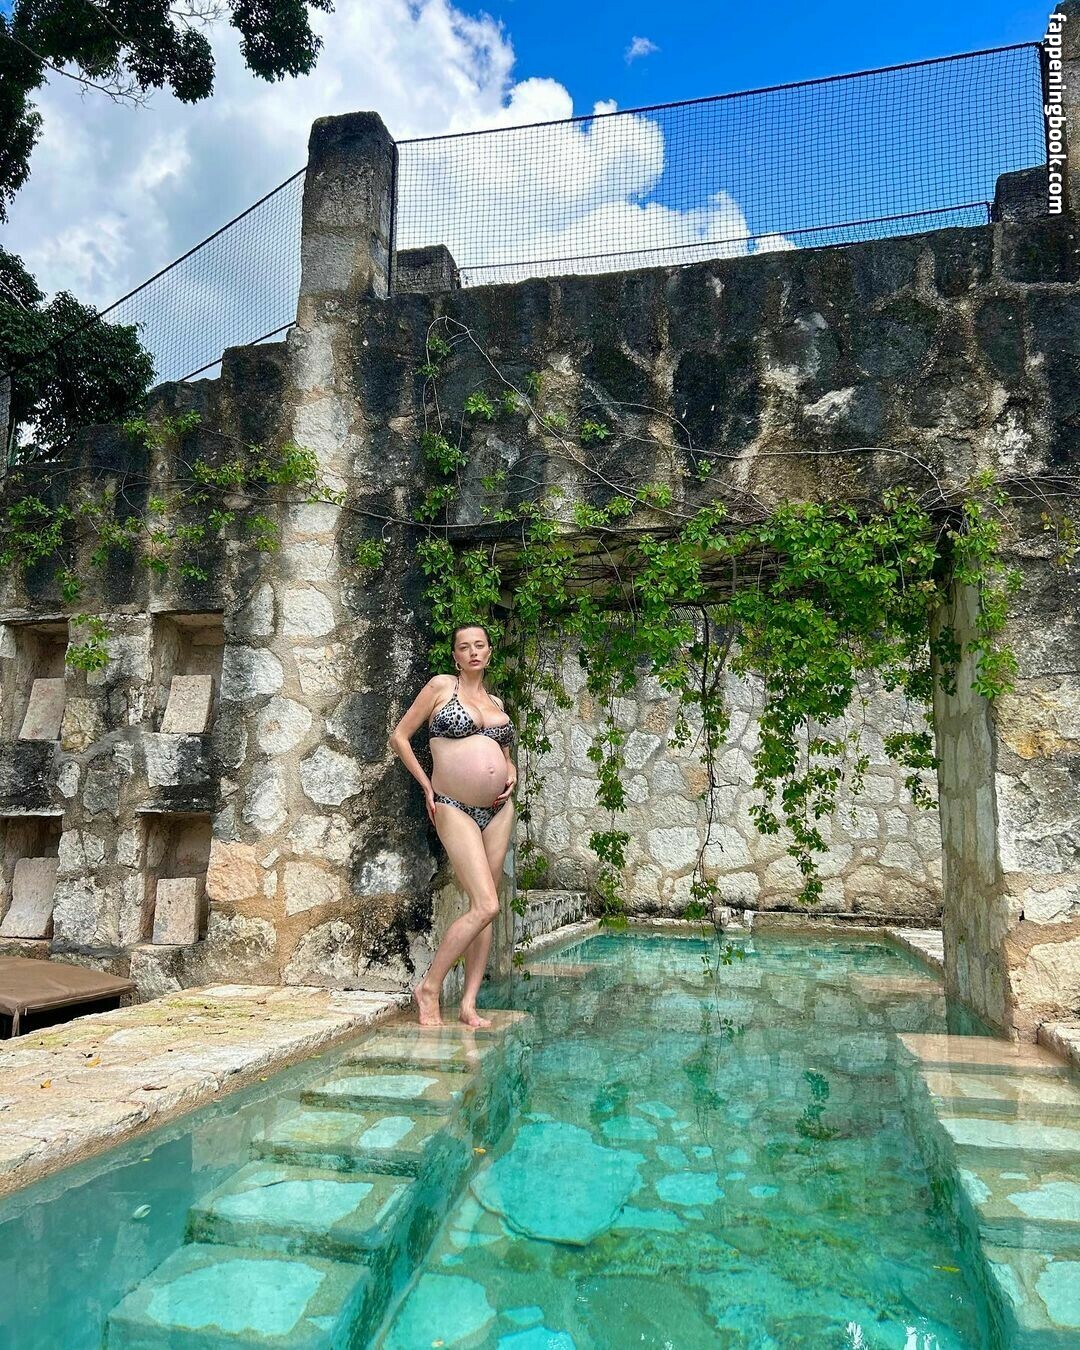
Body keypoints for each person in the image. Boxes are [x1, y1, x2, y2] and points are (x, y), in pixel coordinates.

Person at [388, 624, 516, 1028]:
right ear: (455, 656)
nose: (473, 652)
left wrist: (510, 769)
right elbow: (400, 737)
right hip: (453, 805)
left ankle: (469, 1004)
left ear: (489, 652)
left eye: (480, 645)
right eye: (464, 647)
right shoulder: (442, 687)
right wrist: (426, 785)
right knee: (487, 904)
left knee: (485, 907)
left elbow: (503, 753)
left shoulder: (496, 702)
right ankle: (429, 987)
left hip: (498, 810)